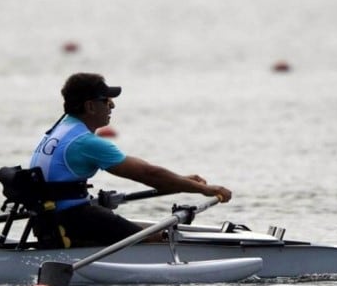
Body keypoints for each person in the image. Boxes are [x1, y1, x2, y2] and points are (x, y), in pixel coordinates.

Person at [29, 72, 232, 247]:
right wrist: (205, 189)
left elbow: (151, 174)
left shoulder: (59, 130)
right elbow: (149, 174)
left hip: (48, 220)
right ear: (90, 106)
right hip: (71, 220)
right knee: (159, 237)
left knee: (150, 229)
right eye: (106, 101)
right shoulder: (85, 142)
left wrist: (182, 181)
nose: (112, 105)